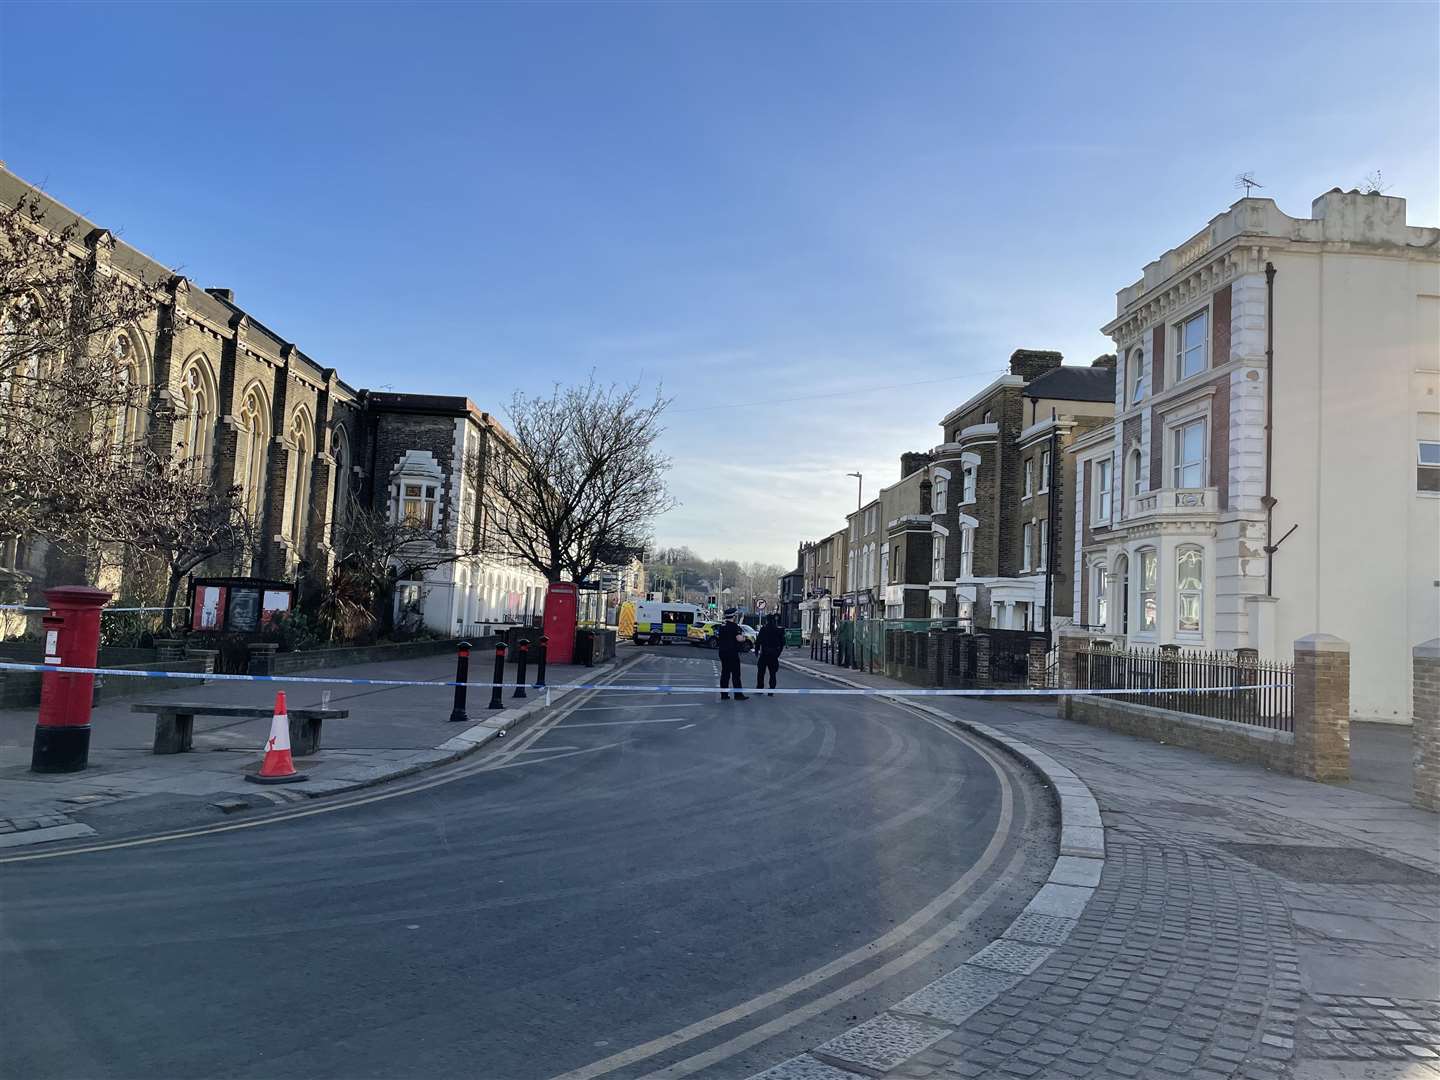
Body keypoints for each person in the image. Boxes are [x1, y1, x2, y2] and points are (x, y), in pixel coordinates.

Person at [715, 608, 748, 700]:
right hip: (732, 652)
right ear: (733, 616)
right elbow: (739, 639)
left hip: (722, 652)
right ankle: (738, 694)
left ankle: (724, 694)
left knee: (725, 673)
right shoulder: (734, 626)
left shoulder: (722, 626)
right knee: (736, 674)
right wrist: (744, 638)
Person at [755, 614, 785, 694]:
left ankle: (760, 688)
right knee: (772, 673)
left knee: (761, 672)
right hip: (774, 654)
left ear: (767, 620)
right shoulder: (777, 630)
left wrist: (756, 651)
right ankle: (771, 689)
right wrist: (778, 652)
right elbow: (782, 642)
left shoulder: (763, 629)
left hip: (764, 653)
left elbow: (758, 641)